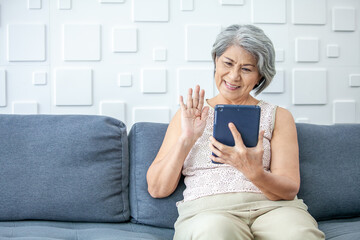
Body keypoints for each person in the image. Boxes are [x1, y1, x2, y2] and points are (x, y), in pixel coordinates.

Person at [146, 24, 325, 240]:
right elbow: (157, 189)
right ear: (216, 61)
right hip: (208, 212)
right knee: (215, 232)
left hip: (274, 210)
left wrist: (253, 172)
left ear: (260, 76)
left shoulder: (279, 116)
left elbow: (288, 189)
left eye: (246, 69)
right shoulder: (188, 115)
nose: (233, 76)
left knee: (298, 234)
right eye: (228, 63)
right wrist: (187, 138)